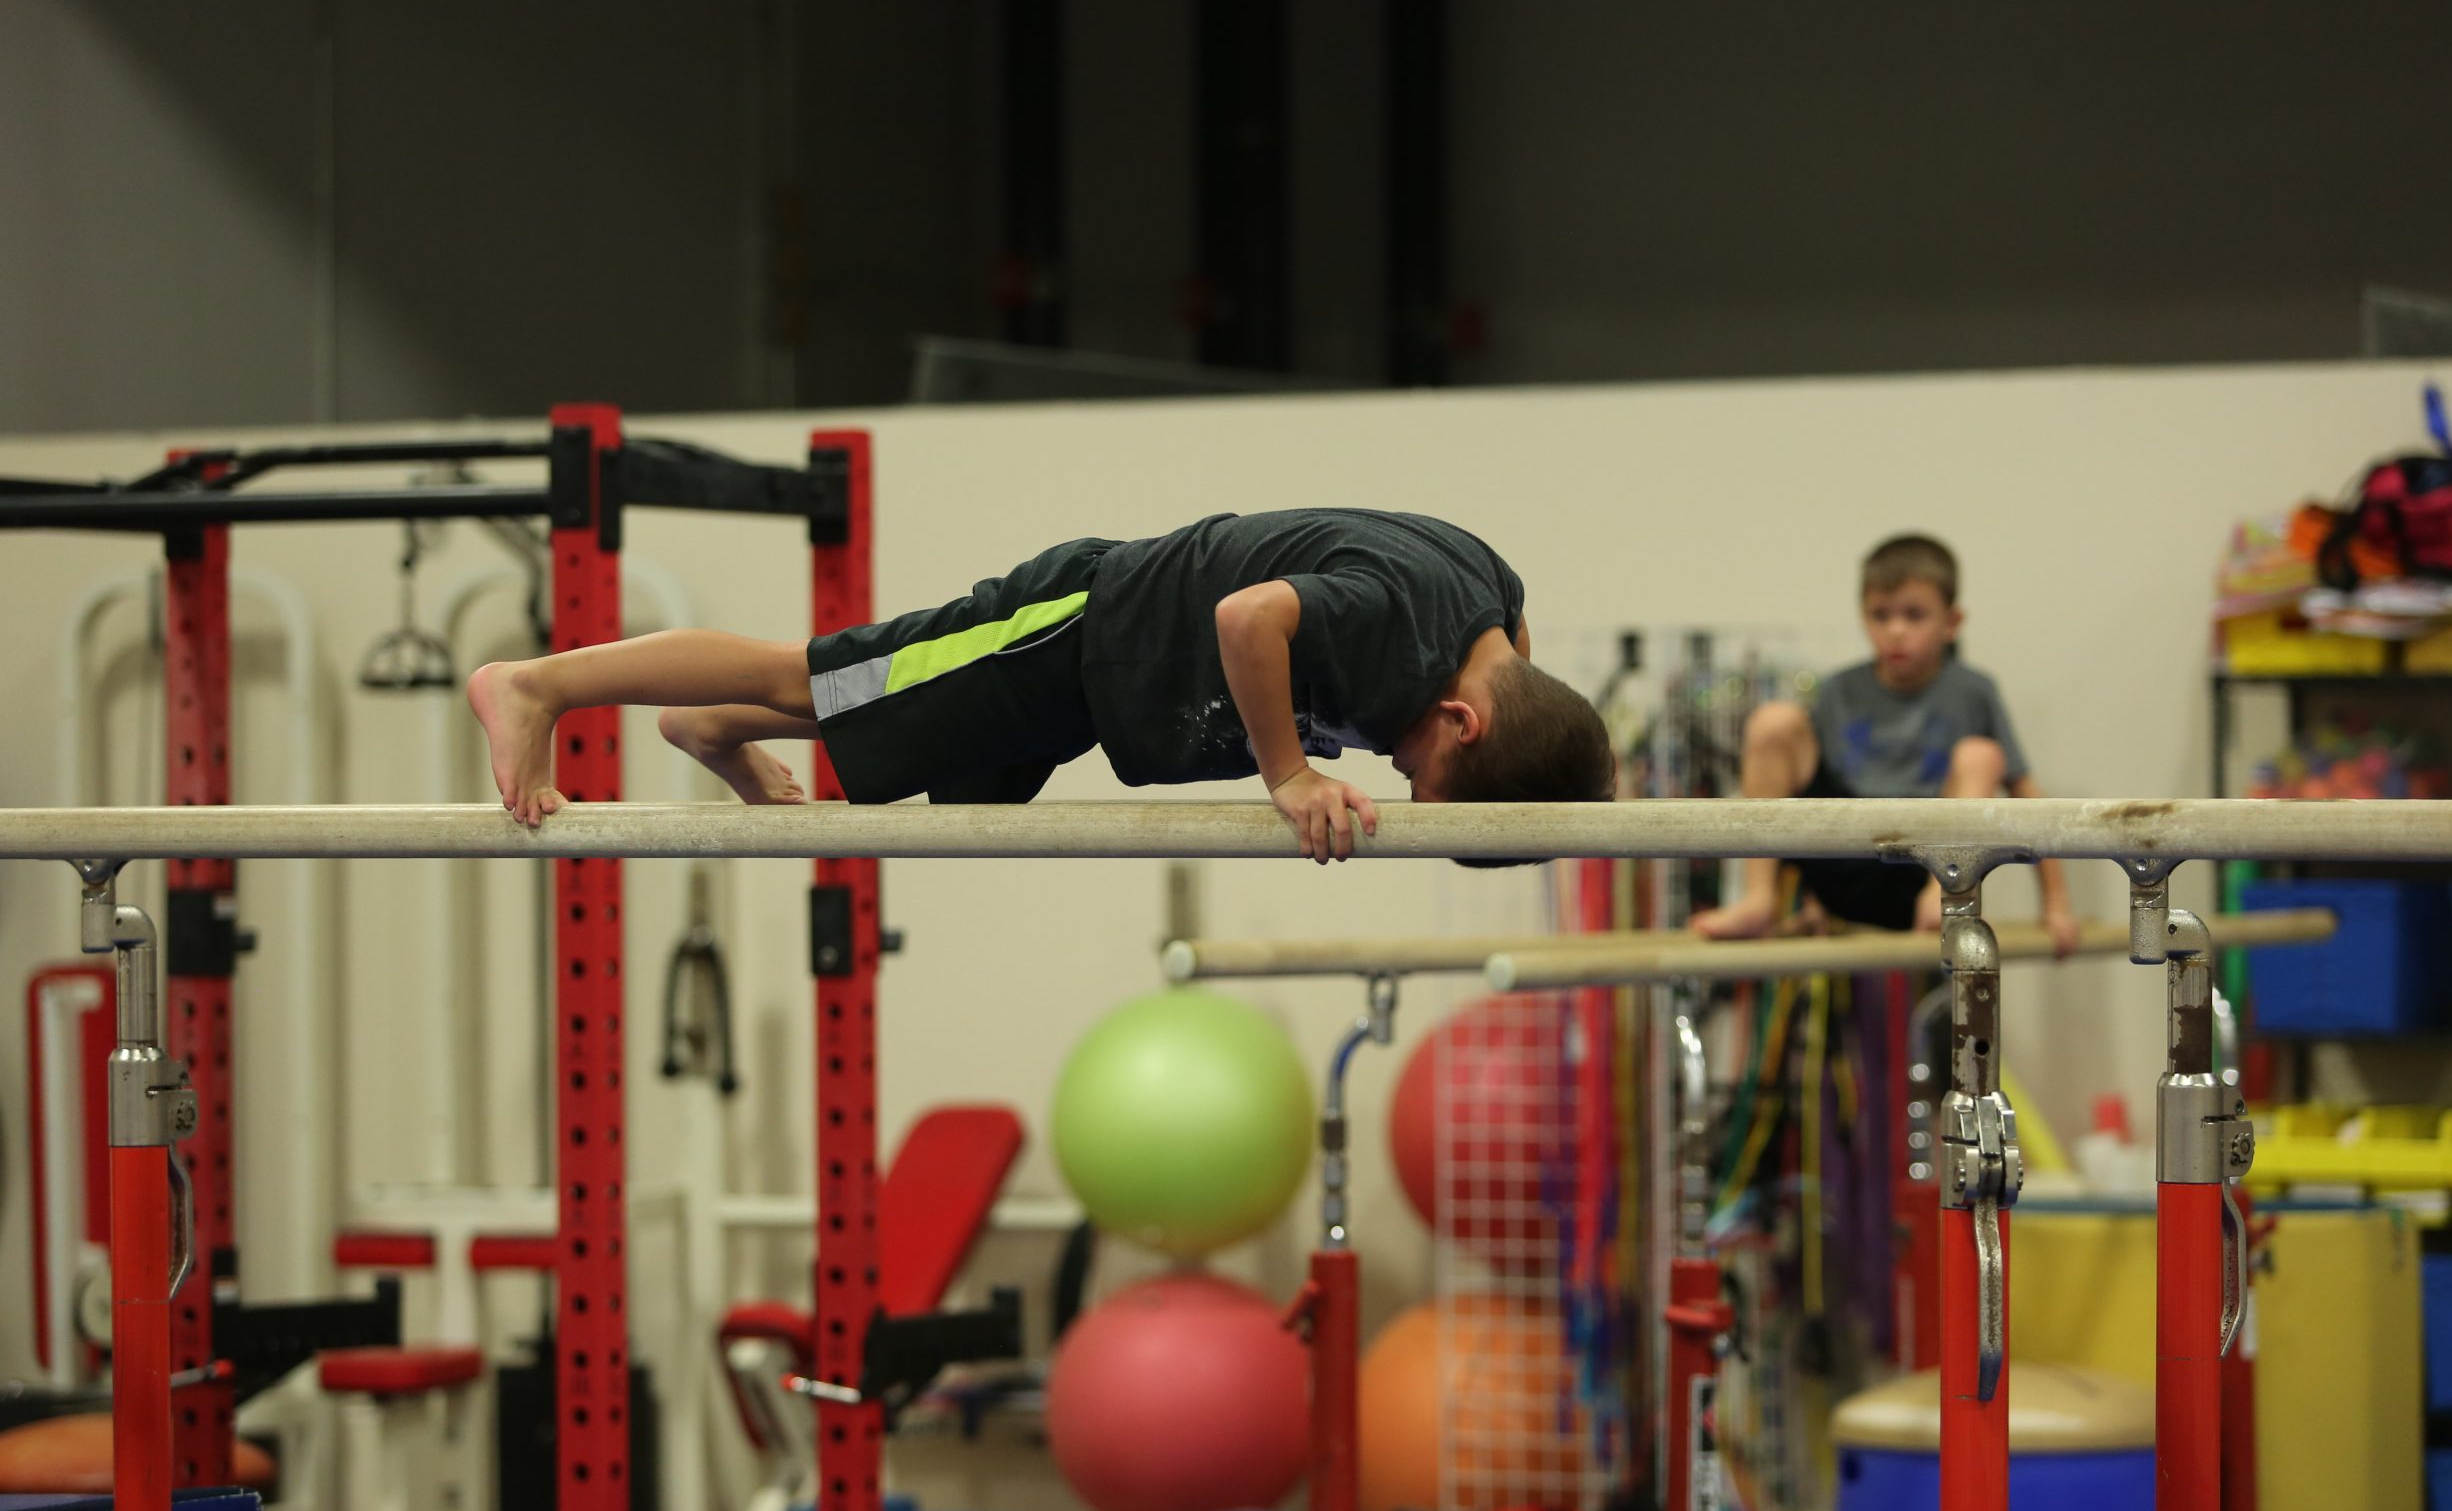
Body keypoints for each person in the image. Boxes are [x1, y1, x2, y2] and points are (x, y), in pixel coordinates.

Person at [469, 507, 1614, 862]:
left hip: (1106, 692)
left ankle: (707, 723)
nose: (1406, 777)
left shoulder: (1495, 616)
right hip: (1078, 630)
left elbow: (1525, 661)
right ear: (1463, 718)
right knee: (811, 673)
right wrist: (1289, 773)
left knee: (888, 744)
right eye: (1430, 776)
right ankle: (537, 685)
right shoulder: (1397, 627)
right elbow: (1246, 614)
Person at [1690, 534, 2077, 945]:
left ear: (1952, 622)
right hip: (1844, 856)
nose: (1895, 631)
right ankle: (1758, 899)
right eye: (1880, 615)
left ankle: (1946, 897)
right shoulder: (1839, 690)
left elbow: (2026, 793)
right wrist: (1806, 899)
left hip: (1922, 870)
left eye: (1914, 615)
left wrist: (2056, 903)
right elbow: (1798, 787)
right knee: (1773, 722)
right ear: (1863, 617)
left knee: (1981, 755)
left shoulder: (1973, 690)